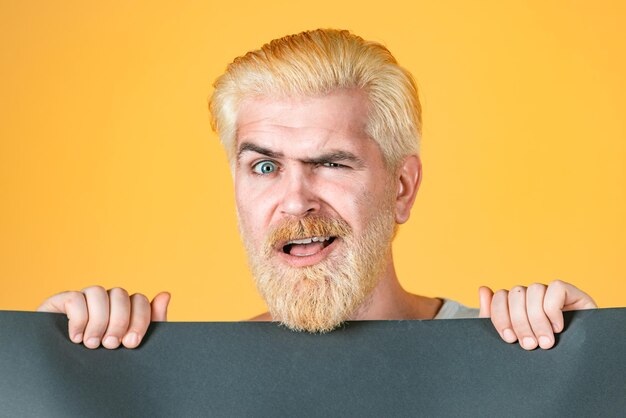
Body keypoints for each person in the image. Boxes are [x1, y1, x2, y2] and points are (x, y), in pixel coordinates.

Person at [37, 29, 597, 352]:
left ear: (402, 188)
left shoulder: (501, 357)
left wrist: (585, 362)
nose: (296, 200)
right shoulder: (189, 380)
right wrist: (55, 363)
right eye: (264, 168)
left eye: (331, 163)